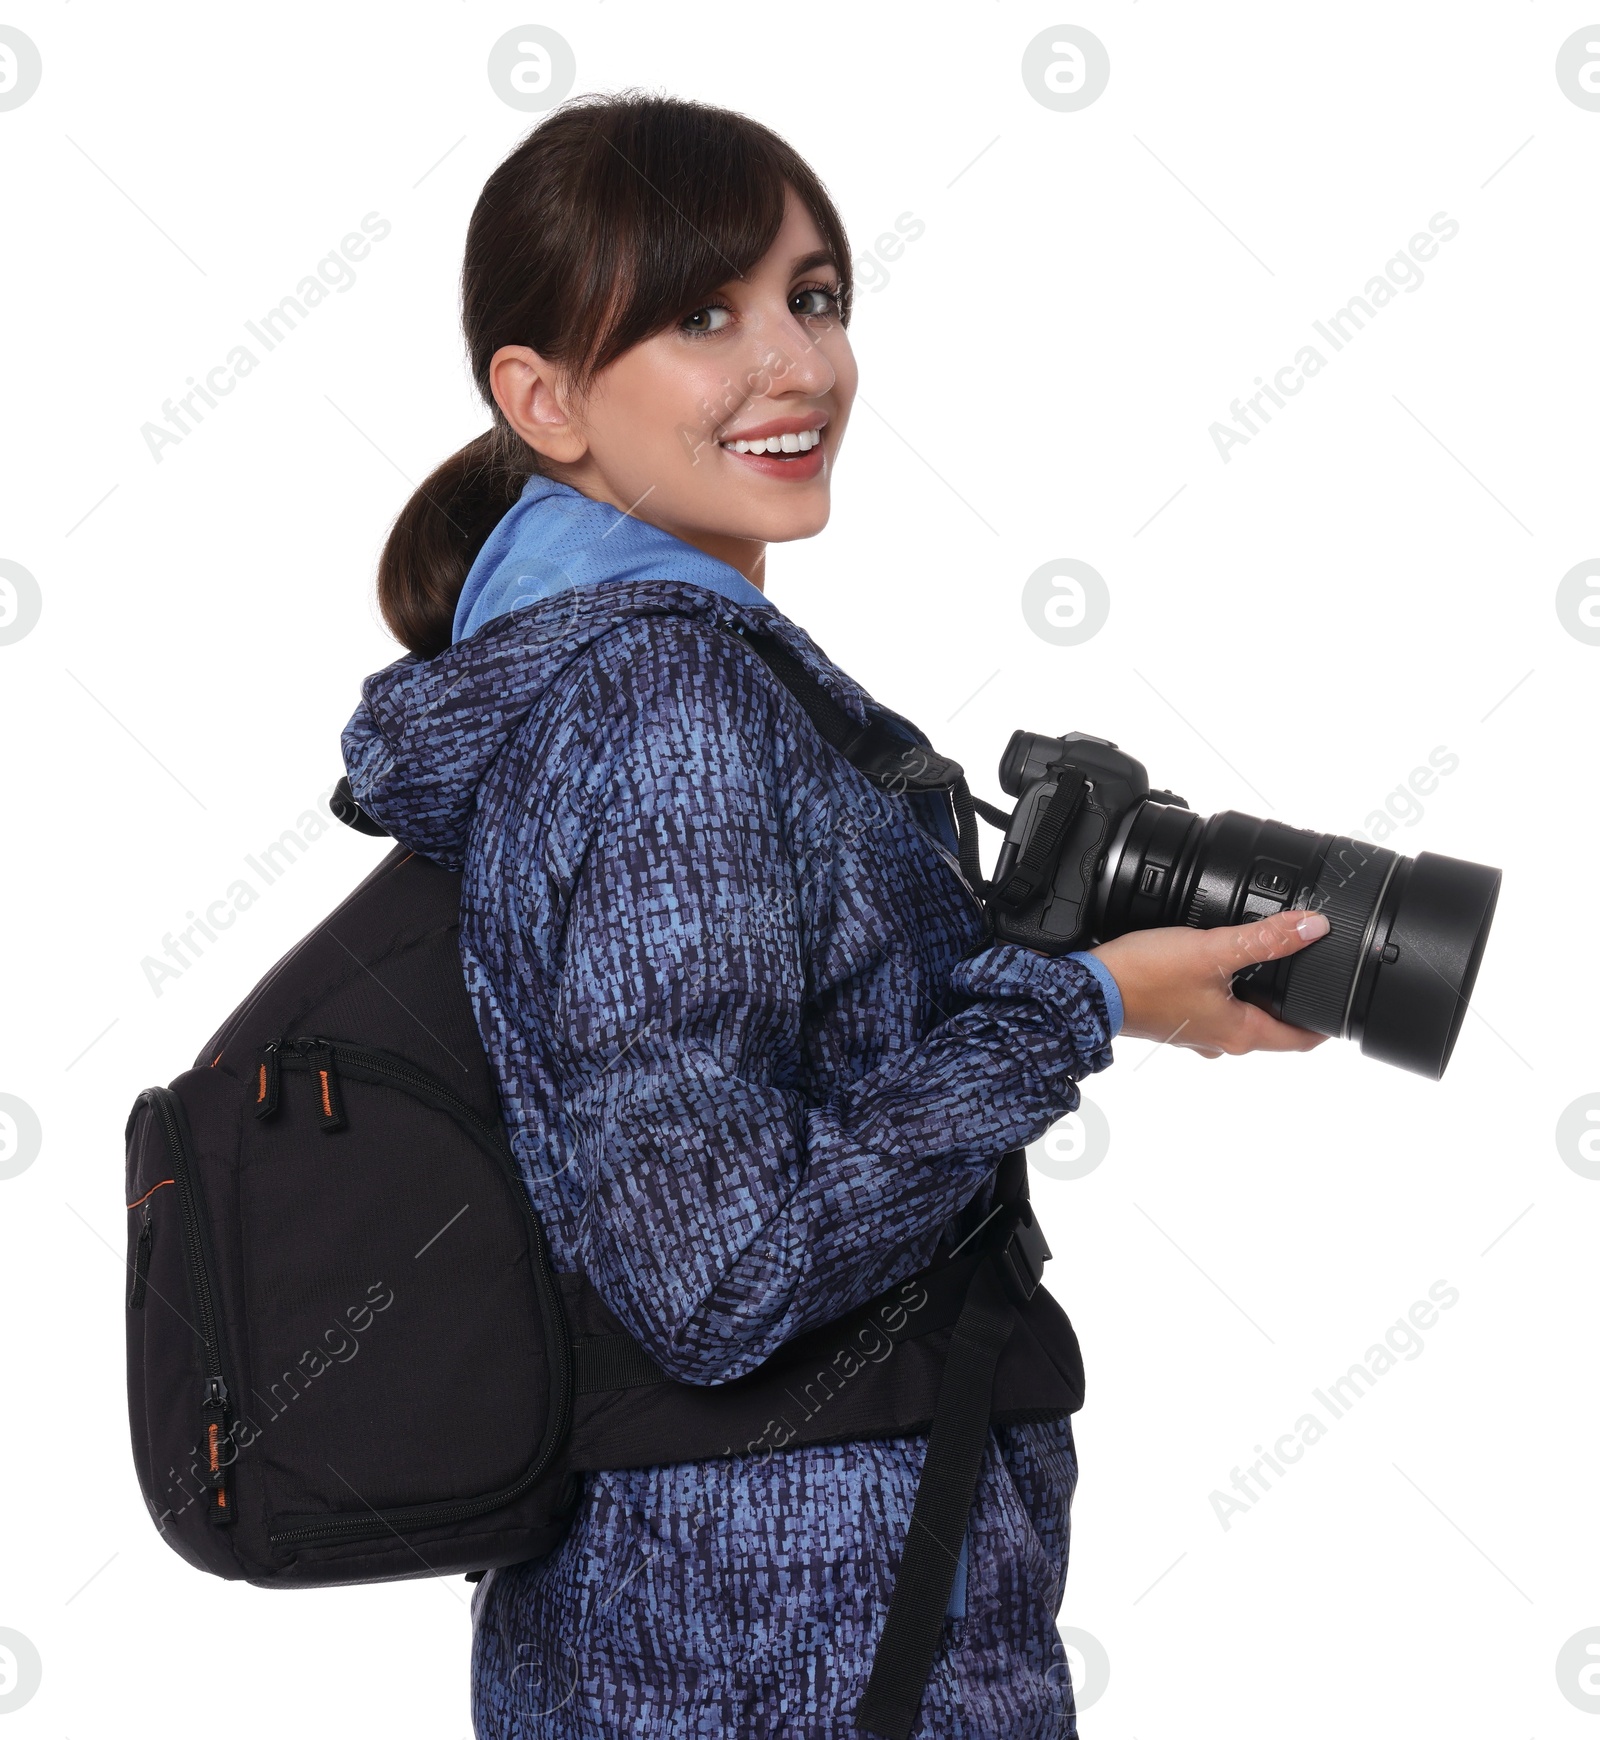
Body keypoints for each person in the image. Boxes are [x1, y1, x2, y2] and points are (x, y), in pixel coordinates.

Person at [340, 90, 1329, 1740]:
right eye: (702, 316)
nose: (793, 365)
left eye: (812, 297)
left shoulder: (636, 687)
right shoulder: (667, 707)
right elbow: (718, 1270)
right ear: (546, 397)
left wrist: (1046, 976)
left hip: (729, 1621)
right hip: (791, 1643)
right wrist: (1083, 1006)